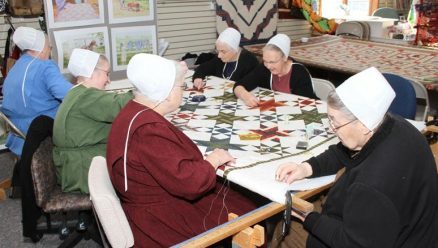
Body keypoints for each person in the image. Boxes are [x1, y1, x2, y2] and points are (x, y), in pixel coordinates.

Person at [275, 67, 438, 247]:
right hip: (415, 230)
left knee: (285, 230)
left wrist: (310, 218)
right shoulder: (395, 125)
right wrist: (306, 168)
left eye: (335, 122)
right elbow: (345, 151)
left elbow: (352, 243)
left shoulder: (372, 184)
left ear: (362, 124)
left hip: (385, 240)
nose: (331, 128)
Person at [106, 54, 256, 247]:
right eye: (181, 86)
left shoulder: (133, 110)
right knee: (250, 210)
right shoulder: (148, 131)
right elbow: (190, 183)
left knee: (237, 198)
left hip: (151, 204)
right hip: (160, 219)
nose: (183, 91)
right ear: (166, 93)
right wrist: (214, 159)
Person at [53, 48, 133, 194]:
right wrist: (146, 87)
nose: (108, 80)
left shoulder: (76, 92)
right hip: (83, 171)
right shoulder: (87, 97)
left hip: (73, 166)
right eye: (107, 74)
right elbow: (122, 105)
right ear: (92, 72)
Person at [1, 27, 72, 156]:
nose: (50, 51)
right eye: (49, 47)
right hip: (42, 135)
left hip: (20, 136)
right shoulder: (45, 66)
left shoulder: (15, 67)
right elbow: (70, 94)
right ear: (40, 49)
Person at [234, 34, 317, 107]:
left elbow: (307, 104)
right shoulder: (264, 68)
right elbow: (238, 85)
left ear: (285, 58)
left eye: (272, 62)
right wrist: (245, 96)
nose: (268, 66)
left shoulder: (299, 73)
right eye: (265, 61)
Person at [192, 27, 259, 89]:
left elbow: (250, 83)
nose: (219, 55)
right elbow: (203, 68)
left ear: (235, 50)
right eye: (218, 51)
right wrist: (197, 78)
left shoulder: (250, 61)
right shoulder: (219, 59)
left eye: (223, 51)